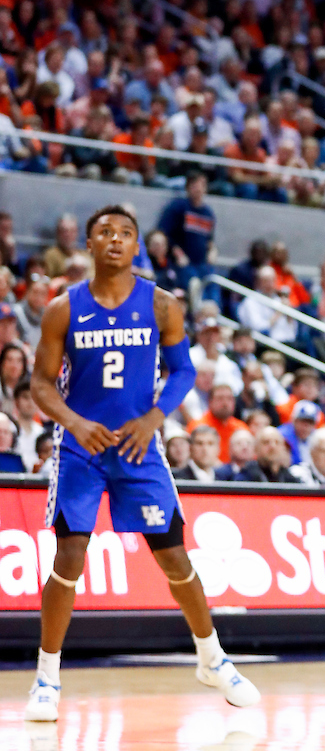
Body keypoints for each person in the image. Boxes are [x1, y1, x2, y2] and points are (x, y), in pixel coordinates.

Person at [26, 204, 258, 721]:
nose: (115, 238)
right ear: (88, 245)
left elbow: (181, 372)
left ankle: (211, 658)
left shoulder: (163, 305)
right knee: (69, 558)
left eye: (126, 233)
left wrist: (155, 419)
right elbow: (40, 382)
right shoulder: (63, 308)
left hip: (138, 449)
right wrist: (75, 422)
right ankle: (46, 676)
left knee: (175, 558)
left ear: (137, 247)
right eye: (104, 232)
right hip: (80, 450)